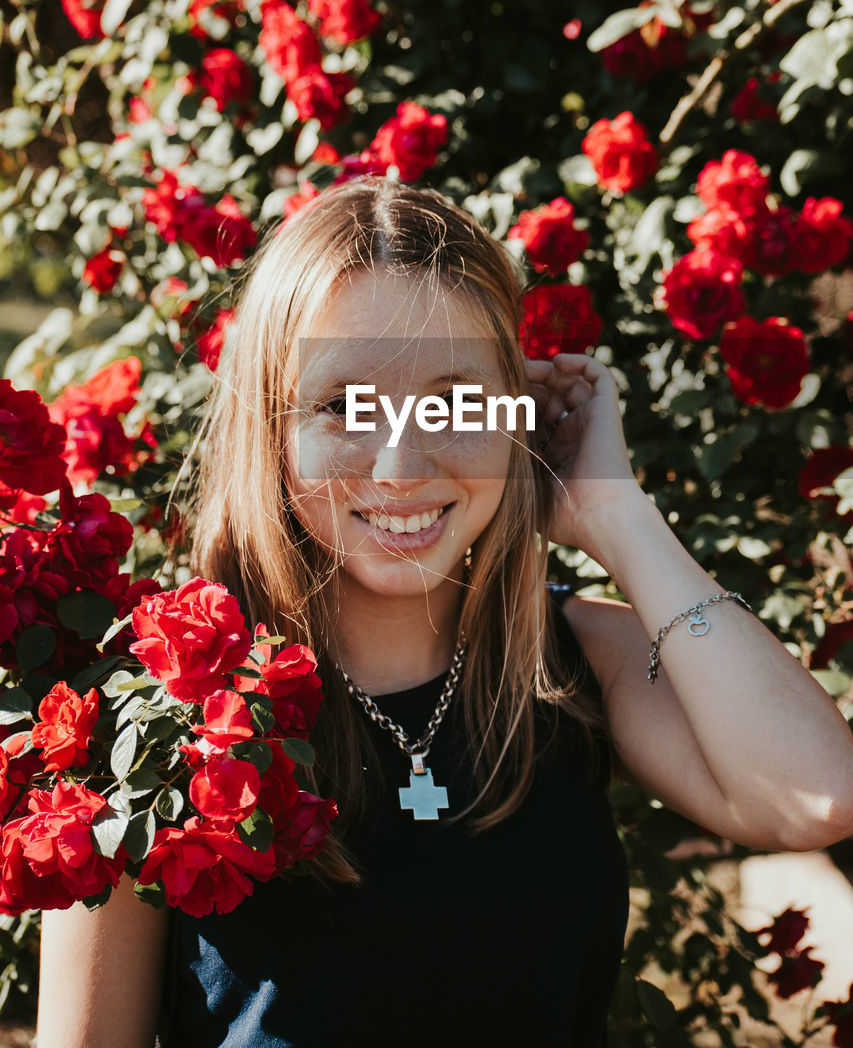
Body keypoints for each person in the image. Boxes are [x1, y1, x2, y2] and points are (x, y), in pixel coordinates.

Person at [37, 176, 853, 1048]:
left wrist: (615, 514)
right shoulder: (153, 712)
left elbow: (814, 800)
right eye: (345, 405)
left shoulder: (578, 661)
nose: (399, 464)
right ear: (271, 429)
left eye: (457, 400)